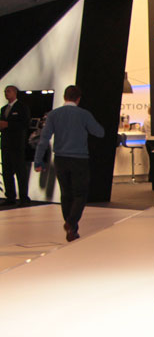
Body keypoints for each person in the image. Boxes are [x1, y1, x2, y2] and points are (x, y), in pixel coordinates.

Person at [34, 85, 104, 242]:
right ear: (78, 99)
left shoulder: (54, 114)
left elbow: (43, 139)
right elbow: (99, 132)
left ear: (64, 97)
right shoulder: (83, 114)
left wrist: (38, 160)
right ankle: (71, 223)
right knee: (80, 194)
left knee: (66, 194)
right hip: (79, 159)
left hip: (60, 159)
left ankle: (72, 229)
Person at [0, 85, 32, 205]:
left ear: (15, 93)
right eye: (5, 91)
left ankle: (24, 197)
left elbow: (25, 124)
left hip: (17, 145)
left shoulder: (22, 107)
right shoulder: (3, 109)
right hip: (5, 145)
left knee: (20, 172)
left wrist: (8, 124)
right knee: (7, 172)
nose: (6, 93)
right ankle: (10, 197)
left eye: (8, 91)